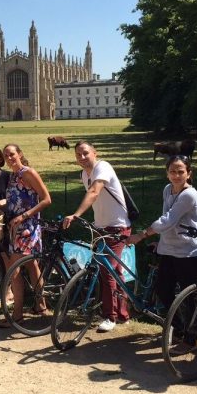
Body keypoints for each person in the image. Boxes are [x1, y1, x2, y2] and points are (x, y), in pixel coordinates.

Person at [126, 155, 197, 353]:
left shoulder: (189, 195)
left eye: (181, 171)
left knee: (189, 296)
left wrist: (143, 234)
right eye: (172, 171)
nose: (176, 175)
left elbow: (169, 220)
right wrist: (160, 240)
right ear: (167, 173)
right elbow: (165, 218)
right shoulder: (167, 190)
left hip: (188, 252)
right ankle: (178, 327)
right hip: (168, 250)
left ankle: (192, 337)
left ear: (189, 173)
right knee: (163, 291)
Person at [63, 141, 131, 332]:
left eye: (85, 153)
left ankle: (111, 316)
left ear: (95, 153)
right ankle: (123, 314)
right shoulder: (84, 174)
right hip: (101, 228)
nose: (82, 157)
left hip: (118, 228)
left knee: (106, 271)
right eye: (78, 155)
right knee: (115, 272)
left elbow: (94, 192)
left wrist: (76, 214)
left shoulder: (103, 167)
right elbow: (98, 202)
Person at [0, 143, 51, 328]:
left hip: (27, 227)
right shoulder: (13, 176)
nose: (9, 157)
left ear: (19, 154)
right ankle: (41, 305)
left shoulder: (28, 172)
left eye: (12, 154)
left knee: (14, 269)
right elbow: (17, 199)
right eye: (6, 155)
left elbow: (46, 199)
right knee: (31, 265)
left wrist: (24, 216)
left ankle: (18, 314)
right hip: (16, 226)